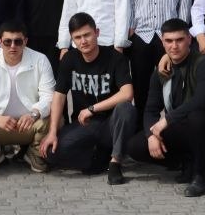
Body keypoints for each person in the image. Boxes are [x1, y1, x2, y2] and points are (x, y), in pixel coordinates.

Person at [124, 18, 205, 197]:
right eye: (169, 41)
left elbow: (201, 100)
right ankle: (186, 162)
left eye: (179, 40)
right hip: (181, 128)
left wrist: (166, 120)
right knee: (135, 146)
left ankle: (202, 176)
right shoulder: (161, 70)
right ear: (162, 42)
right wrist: (151, 136)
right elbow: (150, 110)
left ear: (189, 39)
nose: (174, 46)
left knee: (197, 116)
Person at [42, 13, 136, 184]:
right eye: (77, 37)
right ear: (72, 39)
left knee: (126, 108)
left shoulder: (115, 58)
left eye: (87, 35)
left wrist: (92, 108)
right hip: (85, 124)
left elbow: (127, 93)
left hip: (111, 124)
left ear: (97, 33)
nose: (83, 41)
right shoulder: (69, 59)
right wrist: (52, 132)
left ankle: (115, 162)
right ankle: (98, 159)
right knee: (50, 153)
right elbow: (59, 96)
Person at [127, 0, 192, 125]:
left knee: (173, 86)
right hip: (142, 35)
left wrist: (180, 37)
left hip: (170, 38)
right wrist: (130, 28)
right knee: (141, 86)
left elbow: (184, 6)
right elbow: (131, 1)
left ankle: (173, 128)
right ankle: (142, 131)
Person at [0, 20, 55, 173]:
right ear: (0, 42)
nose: (13, 46)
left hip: (30, 124)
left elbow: (49, 97)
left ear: (25, 41)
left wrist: (34, 114)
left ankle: (34, 154)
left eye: (18, 41)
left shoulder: (40, 60)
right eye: (7, 42)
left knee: (56, 120)